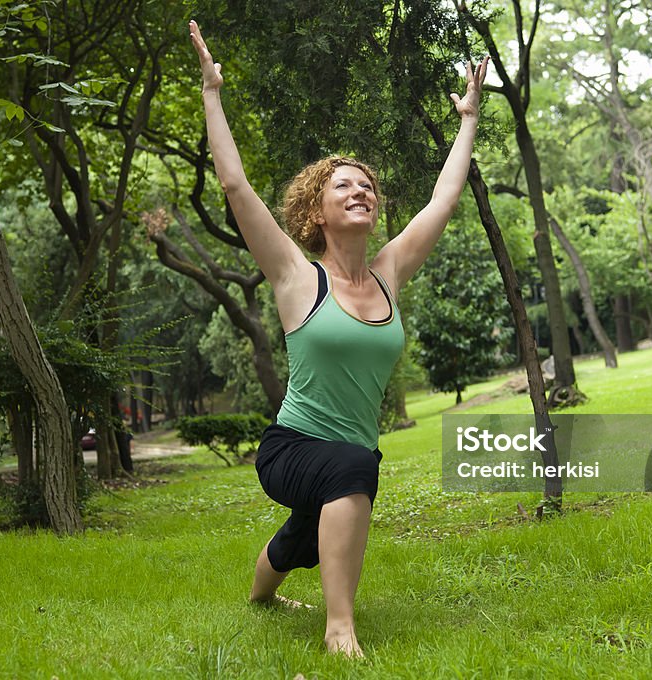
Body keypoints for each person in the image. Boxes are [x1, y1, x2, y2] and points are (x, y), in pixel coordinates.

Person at [188, 20, 488, 657]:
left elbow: (446, 194)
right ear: (315, 211)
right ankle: (339, 630)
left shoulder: (389, 273)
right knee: (353, 472)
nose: (361, 191)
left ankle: (261, 594)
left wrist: (468, 118)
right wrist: (213, 95)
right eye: (342, 185)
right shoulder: (297, 276)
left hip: (344, 457)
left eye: (368, 185)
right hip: (293, 445)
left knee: (309, 528)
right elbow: (236, 186)